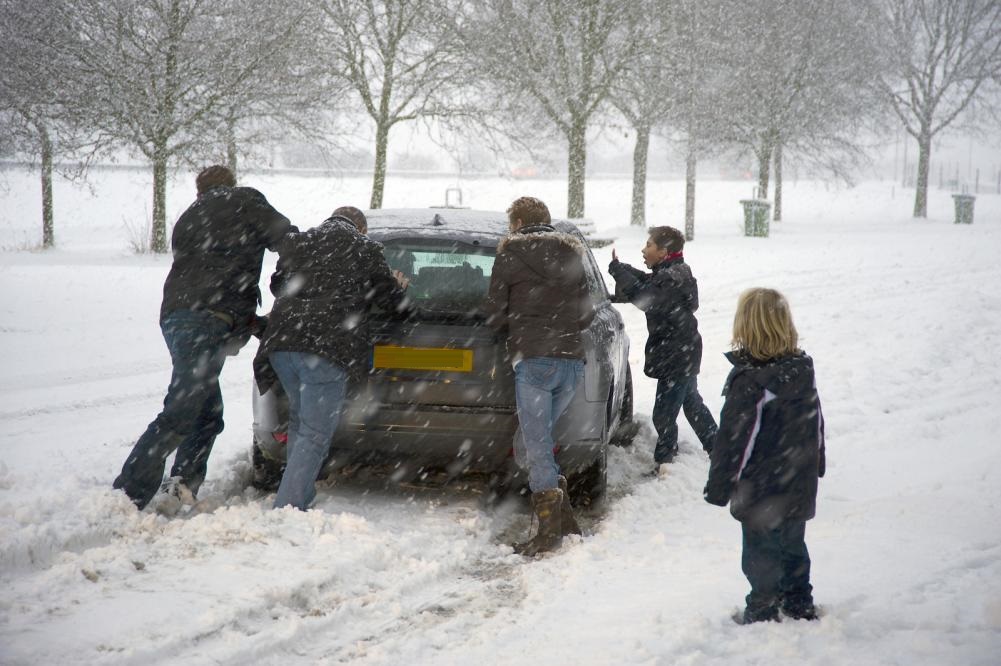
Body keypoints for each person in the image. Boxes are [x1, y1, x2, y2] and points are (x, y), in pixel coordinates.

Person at [113, 165, 293, 511]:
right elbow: (286, 239)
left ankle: (181, 485)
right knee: (183, 408)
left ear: (200, 192)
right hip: (205, 320)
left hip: (177, 317)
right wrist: (294, 274)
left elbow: (213, 268)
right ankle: (127, 493)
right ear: (230, 186)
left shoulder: (188, 218)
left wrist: (247, 321)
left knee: (207, 412)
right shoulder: (245, 201)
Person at [253, 206, 411, 511]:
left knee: (301, 423)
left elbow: (277, 287)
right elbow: (390, 303)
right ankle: (289, 505)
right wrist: (398, 286)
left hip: (282, 344)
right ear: (361, 229)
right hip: (327, 349)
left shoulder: (299, 242)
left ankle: (299, 492)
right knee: (315, 432)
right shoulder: (365, 249)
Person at [704, 288, 826, 624]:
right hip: (797, 478)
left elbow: (734, 442)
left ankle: (762, 608)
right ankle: (799, 601)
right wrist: (817, 462)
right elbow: (815, 421)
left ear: (745, 326)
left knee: (760, 553)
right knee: (792, 545)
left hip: (762, 486)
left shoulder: (751, 381)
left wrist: (720, 486)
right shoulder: (801, 368)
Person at [483, 196, 594, 556]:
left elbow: (495, 314)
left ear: (516, 223)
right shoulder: (571, 254)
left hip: (534, 362)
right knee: (537, 441)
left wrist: (512, 327)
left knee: (536, 444)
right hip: (571, 363)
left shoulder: (509, 255)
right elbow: (586, 314)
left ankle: (548, 532)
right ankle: (564, 519)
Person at [607, 226, 717, 471]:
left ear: (664, 251)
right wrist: (624, 269)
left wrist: (617, 272)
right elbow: (648, 282)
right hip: (683, 351)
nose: (644, 249)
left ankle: (665, 461)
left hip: (677, 354)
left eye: (649, 245)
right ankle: (718, 448)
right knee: (692, 404)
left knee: (664, 413)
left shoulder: (671, 277)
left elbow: (646, 298)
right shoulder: (673, 272)